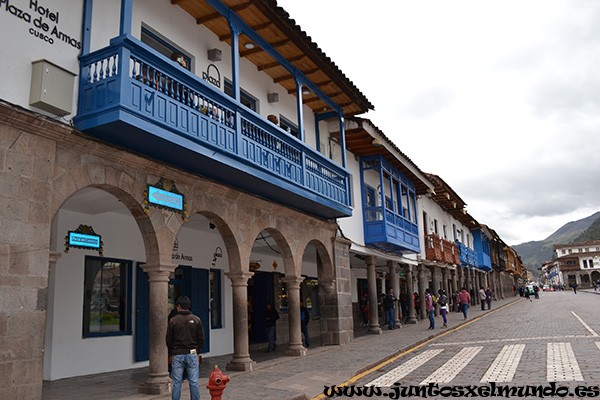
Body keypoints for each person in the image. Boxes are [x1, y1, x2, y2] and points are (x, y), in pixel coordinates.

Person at [166, 296, 205, 400]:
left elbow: (168, 339)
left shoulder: (173, 320)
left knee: (177, 382)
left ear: (179, 306)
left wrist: (172, 351)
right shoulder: (196, 319)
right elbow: (201, 338)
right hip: (192, 353)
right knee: (193, 381)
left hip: (177, 353)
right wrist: (197, 350)